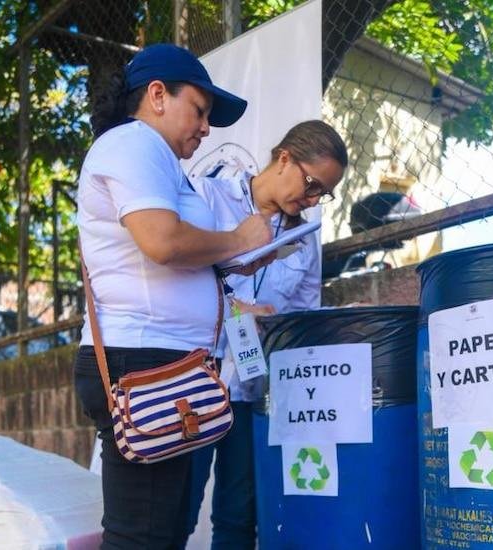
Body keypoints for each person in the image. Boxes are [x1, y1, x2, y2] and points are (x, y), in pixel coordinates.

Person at [73, 43, 273, 549]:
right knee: (142, 537)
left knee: (158, 533)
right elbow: (162, 242)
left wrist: (233, 260)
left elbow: (166, 255)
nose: (206, 128)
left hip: (166, 363)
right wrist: (239, 241)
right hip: (143, 362)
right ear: (157, 95)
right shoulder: (132, 145)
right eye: (199, 111)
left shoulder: (153, 156)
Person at [183, 120, 348, 548]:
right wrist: (239, 309)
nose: (311, 200)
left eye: (322, 194)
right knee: (175, 512)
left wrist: (288, 325)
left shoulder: (304, 238)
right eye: (311, 185)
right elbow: (178, 284)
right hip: (198, 381)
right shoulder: (210, 196)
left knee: (239, 517)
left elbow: (304, 315)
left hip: (254, 389)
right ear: (285, 157)